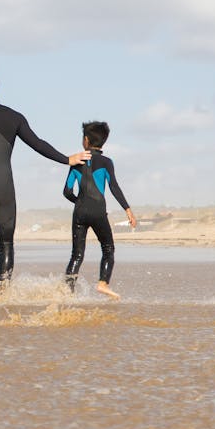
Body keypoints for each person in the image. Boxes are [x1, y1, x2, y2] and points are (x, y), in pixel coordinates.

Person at [0, 69, 90, 290]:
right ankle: (4, 292)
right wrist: (66, 159)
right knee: (7, 244)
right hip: (5, 189)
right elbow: (38, 144)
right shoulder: (15, 117)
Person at [63, 120, 136, 300]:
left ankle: (67, 292)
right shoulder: (106, 162)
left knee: (77, 254)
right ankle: (103, 283)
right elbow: (114, 187)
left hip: (79, 212)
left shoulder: (76, 161)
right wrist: (128, 211)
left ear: (85, 140)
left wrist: (80, 202)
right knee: (108, 248)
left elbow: (66, 191)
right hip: (98, 211)